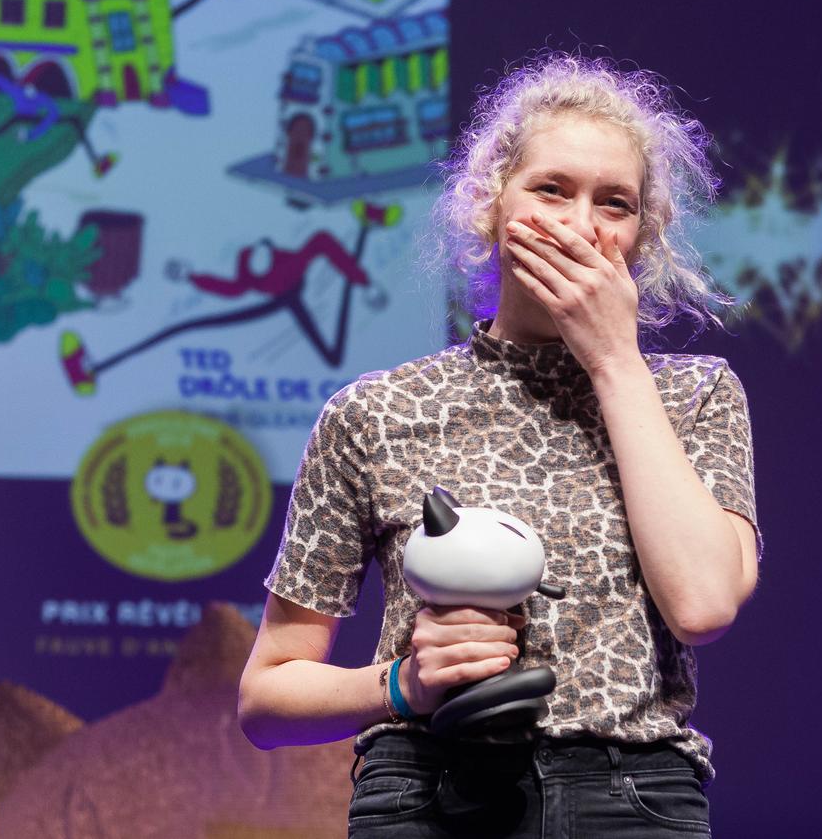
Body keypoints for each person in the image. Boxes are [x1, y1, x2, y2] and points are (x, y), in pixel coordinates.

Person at [238, 53, 763, 838]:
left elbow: (703, 603)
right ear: (490, 206)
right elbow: (267, 698)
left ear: (641, 238)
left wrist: (615, 360)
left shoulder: (695, 395)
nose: (580, 225)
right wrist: (402, 684)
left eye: (613, 204)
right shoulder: (377, 410)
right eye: (550, 189)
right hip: (427, 787)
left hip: (632, 794)